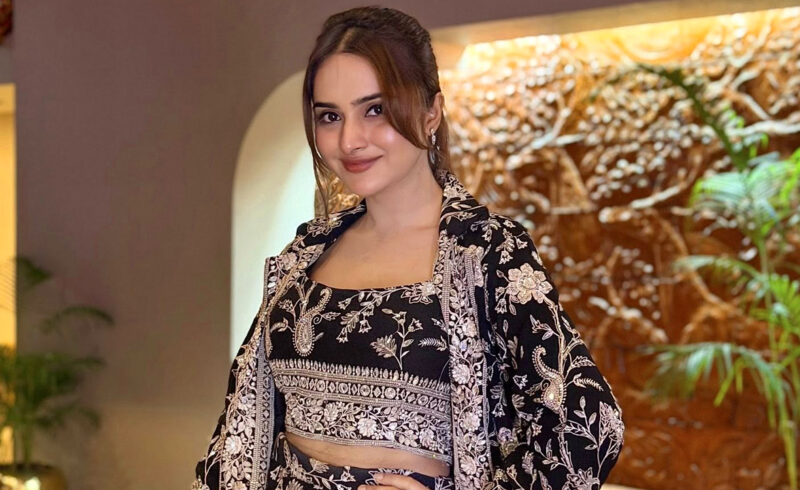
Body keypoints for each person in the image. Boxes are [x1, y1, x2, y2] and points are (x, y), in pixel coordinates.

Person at [194, 6, 624, 490]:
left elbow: (590, 429)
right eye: (330, 116)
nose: (350, 140)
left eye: (374, 109)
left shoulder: (486, 252)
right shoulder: (306, 252)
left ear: (431, 112)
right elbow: (238, 429)